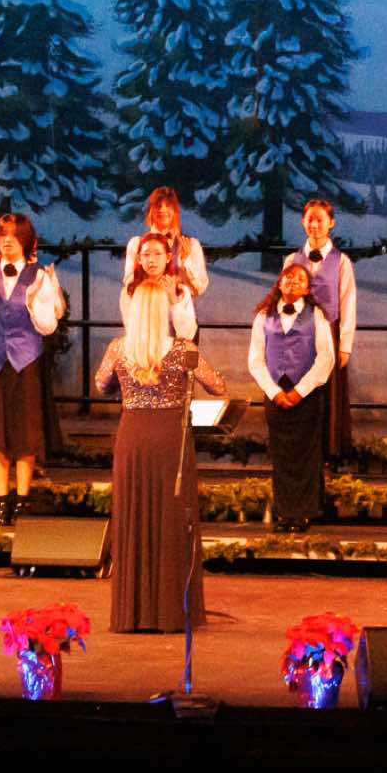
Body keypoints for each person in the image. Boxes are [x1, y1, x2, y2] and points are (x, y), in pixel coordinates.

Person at [96, 258, 227, 633]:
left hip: (133, 439)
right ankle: (171, 611)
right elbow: (218, 385)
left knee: (134, 520)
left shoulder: (119, 349)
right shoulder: (183, 350)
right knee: (172, 521)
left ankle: (133, 613)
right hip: (170, 440)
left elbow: (101, 385)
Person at [0, 213, 61, 526]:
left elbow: (48, 327)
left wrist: (32, 304)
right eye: (3, 234)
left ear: (26, 241)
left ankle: (22, 500)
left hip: (26, 363)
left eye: (14, 235)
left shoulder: (39, 277)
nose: (7, 240)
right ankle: (1, 501)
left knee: (25, 433)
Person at [247, 262, 335, 533]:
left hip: (306, 394)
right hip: (275, 394)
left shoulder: (316, 315)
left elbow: (326, 358)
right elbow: (255, 360)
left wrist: (300, 391)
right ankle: (285, 513)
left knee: (306, 455)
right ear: (280, 283)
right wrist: (274, 392)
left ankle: (304, 513)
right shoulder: (264, 316)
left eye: (299, 279)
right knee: (281, 455)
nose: (293, 281)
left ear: (307, 289)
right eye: (288, 277)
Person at [285, 199, 356, 467]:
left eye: (320, 220)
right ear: (303, 222)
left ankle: (330, 451)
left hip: (329, 333)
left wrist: (344, 345)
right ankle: (303, 448)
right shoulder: (292, 260)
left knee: (328, 392)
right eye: (310, 220)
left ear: (331, 223)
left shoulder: (341, 261)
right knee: (302, 388)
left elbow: (348, 302)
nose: (314, 225)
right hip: (299, 334)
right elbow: (283, 296)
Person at [123, 187, 208, 338]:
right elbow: (130, 282)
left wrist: (184, 263)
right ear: (150, 211)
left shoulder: (190, 245)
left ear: (176, 211)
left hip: (181, 320)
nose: (163, 210)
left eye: (168, 205)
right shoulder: (137, 244)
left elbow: (198, 288)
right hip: (147, 319)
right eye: (158, 205)